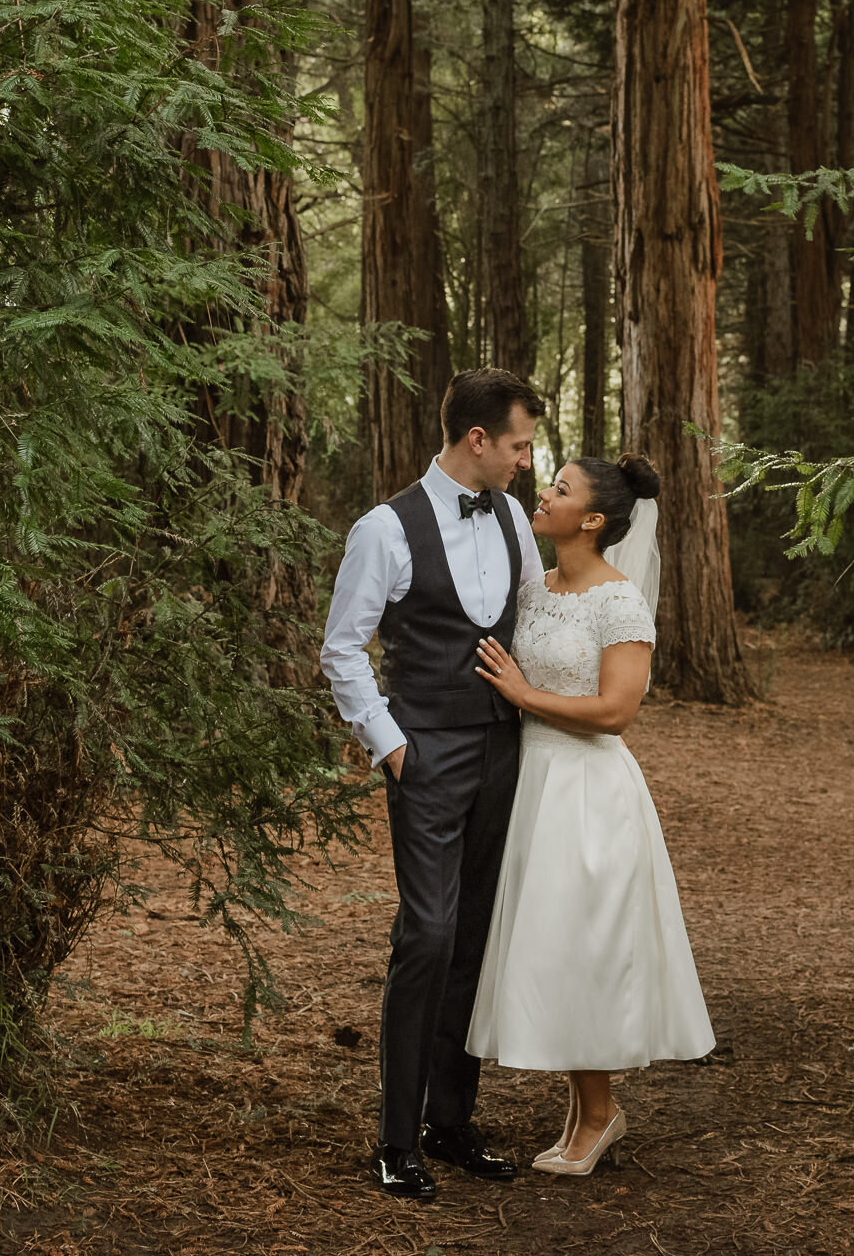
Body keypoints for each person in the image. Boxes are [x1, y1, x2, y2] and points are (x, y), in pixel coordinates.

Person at [319, 368, 545, 1201]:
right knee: (428, 936)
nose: (526, 460)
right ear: (478, 440)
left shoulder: (516, 516)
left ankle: (452, 1121)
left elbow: (534, 617)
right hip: (427, 755)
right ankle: (395, 1138)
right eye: (518, 444)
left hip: (504, 751)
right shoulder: (384, 527)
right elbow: (342, 649)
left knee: (475, 938)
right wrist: (392, 747)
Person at [467, 453, 715, 1176]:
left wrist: (521, 695)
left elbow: (616, 711)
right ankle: (584, 1110)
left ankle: (600, 1113)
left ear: (594, 520)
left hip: (587, 791)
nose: (544, 493)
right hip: (533, 786)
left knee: (583, 945)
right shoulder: (535, 590)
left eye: (561, 489)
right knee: (552, 944)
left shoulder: (619, 601)